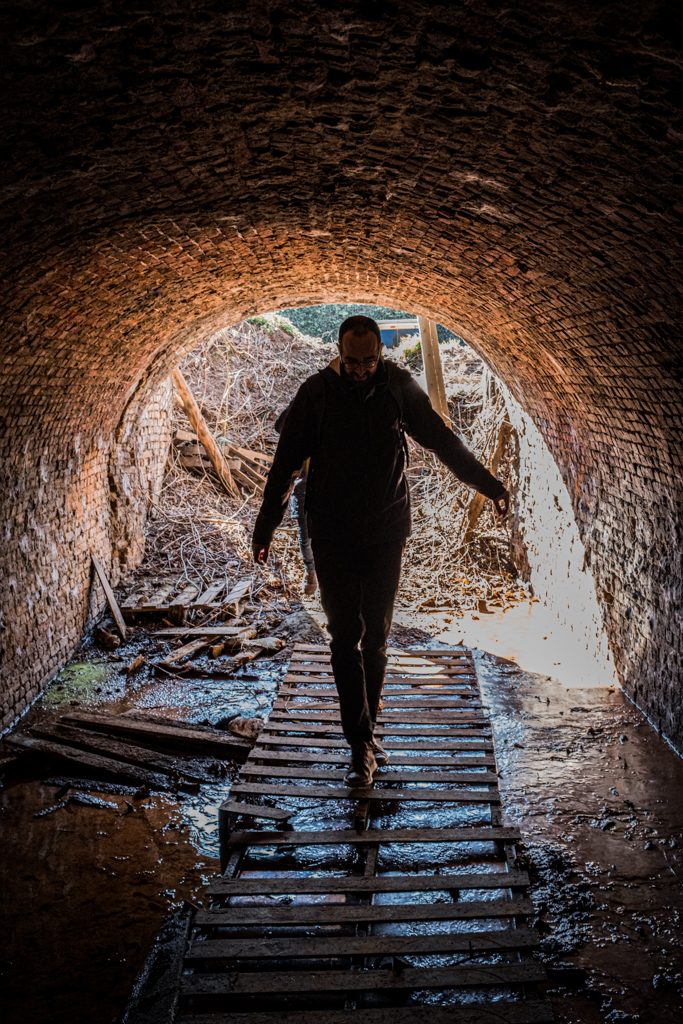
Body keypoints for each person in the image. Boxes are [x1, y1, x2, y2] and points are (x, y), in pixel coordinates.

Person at [252, 315, 509, 786]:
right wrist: (265, 529)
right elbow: (284, 466)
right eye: (352, 362)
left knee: (376, 639)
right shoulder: (316, 393)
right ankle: (360, 745)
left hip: (387, 531)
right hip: (331, 533)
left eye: (369, 361)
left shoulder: (397, 386)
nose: (361, 370)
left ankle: (367, 735)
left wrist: (489, 486)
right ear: (339, 353)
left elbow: (442, 441)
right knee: (344, 638)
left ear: (380, 355)